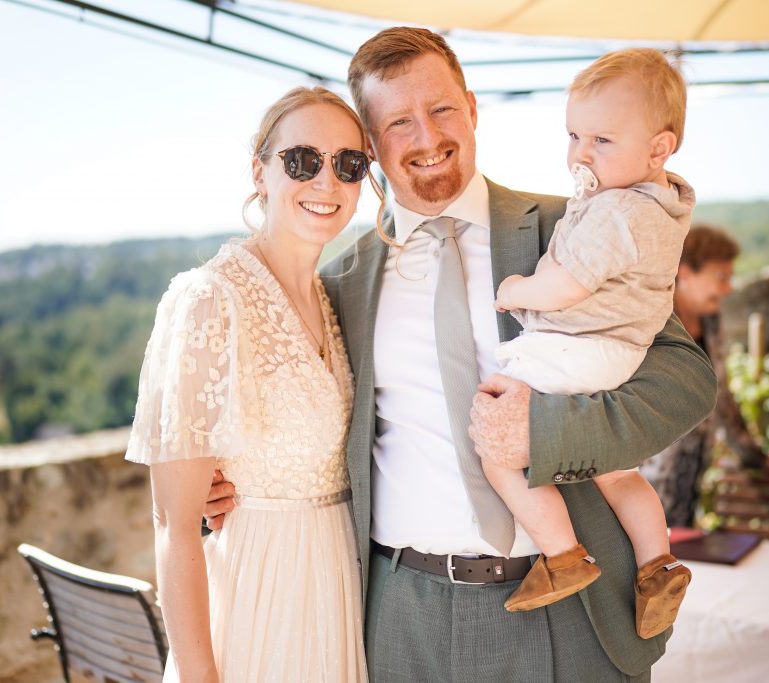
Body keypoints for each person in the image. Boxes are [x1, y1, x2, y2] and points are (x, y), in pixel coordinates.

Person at [206, 27, 717, 681]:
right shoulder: (339, 284)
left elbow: (686, 379)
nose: (427, 136)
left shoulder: (578, 228)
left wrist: (546, 433)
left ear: (472, 109)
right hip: (400, 617)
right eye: (398, 121)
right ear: (370, 143)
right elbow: (307, 430)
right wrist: (224, 488)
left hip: (573, 617)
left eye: (442, 108)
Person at [126, 87, 380, 681]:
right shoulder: (210, 299)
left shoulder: (331, 297)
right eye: (302, 160)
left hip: (337, 595)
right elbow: (173, 525)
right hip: (256, 597)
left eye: (348, 164)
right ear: (260, 172)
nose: (326, 181)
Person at [485, 49, 693, 638]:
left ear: (659, 149)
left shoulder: (616, 211)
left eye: (602, 140)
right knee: (620, 475)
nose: (581, 154)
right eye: (574, 136)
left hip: (574, 345)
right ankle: (658, 565)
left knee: (496, 444)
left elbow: (565, 287)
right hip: (619, 356)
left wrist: (515, 290)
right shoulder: (663, 207)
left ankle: (562, 556)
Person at [640, 225, 769, 527]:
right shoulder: (650, 322)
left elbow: (719, 396)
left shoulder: (710, 321)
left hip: (690, 478)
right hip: (645, 483)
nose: (729, 288)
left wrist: (756, 457)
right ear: (684, 273)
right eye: (721, 277)